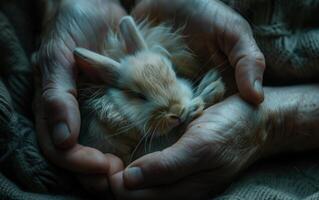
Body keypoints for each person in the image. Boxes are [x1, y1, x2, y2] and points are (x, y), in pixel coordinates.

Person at [33, 0, 319, 198]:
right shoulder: (109, 104)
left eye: (171, 78)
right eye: (142, 97)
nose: (174, 107)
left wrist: (276, 121)